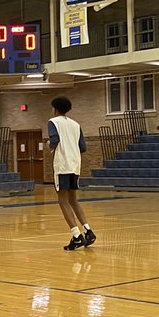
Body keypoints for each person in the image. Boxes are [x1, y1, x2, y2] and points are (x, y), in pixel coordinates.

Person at [48, 96, 95, 251]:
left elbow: (54, 140)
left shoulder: (53, 122)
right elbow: (83, 147)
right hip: (75, 165)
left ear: (55, 108)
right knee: (73, 200)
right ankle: (88, 231)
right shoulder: (76, 124)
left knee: (62, 200)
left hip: (62, 165)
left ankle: (76, 236)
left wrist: (50, 144)